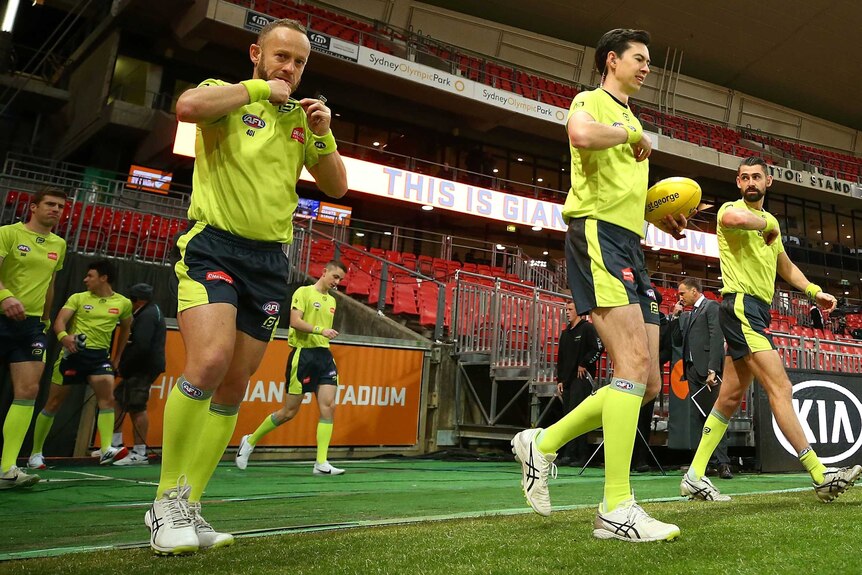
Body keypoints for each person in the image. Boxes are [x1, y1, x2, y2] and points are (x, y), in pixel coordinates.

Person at [145, 17, 348, 556]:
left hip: (269, 262)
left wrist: (324, 132)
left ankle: (191, 505)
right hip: (213, 245)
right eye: (281, 56)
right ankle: (164, 502)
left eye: (299, 62)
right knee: (209, 362)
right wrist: (260, 90)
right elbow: (187, 107)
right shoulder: (227, 93)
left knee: (235, 385)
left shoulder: (302, 121)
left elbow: (336, 186)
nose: (290, 68)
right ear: (256, 54)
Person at [511, 28, 689, 542]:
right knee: (629, 366)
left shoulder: (633, 119)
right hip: (596, 235)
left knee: (647, 383)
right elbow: (581, 136)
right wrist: (630, 137)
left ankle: (542, 443)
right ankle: (615, 507)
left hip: (630, 242)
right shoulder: (590, 101)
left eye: (650, 61)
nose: (647, 67)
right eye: (640, 58)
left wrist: (660, 217)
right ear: (612, 60)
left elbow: (622, 189)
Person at [680, 156, 861, 502]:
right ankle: (820, 474)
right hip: (740, 306)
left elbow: (786, 266)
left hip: (756, 311)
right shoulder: (731, 210)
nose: (751, 182)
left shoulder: (771, 223)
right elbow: (733, 219)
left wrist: (814, 291)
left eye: (756, 177)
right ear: (738, 182)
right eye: (745, 177)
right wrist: (764, 225)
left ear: (768, 182)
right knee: (782, 387)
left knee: (729, 398)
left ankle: (694, 475)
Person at [235, 260, 347, 474]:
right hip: (303, 355)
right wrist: (320, 330)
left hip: (324, 356)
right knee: (289, 412)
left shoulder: (332, 300)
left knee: (329, 406)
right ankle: (250, 441)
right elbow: (295, 321)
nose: (337, 282)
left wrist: (323, 335)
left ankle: (321, 463)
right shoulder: (303, 292)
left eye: (340, 279)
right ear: (324, 272)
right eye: (335, 277)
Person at [28, 260, 133, 468]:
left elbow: (126, 329)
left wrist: (117, 357)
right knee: (53, 404)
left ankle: (105, 449)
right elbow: (59, 322)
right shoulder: (78, 298)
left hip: (99, 358)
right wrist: (64, 337)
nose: (85, 279)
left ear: (104, 278)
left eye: (90, 276)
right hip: (73, 356)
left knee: (107, 400)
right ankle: (35, 454)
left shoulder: (123, 303)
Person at [0, 188, 67, 489]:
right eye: (50, 204)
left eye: (60, 207)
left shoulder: (59, 244)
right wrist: (4, 296)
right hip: (1, 315)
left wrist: (46, 319)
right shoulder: (8, 233)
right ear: (33, 207)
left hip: (31, 327)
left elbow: (50, 283)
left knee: (28, 390)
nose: (56, 210)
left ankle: (7, 469)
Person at [670, 278, 732, 480]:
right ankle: (705, 463)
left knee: (715, 416)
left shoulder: (711, 306)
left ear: (694, 291)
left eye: (682, 293)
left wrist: (713, 369)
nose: (680, 297)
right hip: (691, 370)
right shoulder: (689, 314)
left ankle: (723, 463)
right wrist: (675, 317)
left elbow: (716, 337)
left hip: (708, 371)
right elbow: (677, 341)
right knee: (698, 417)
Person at [111, 283, 166, 466]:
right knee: (118, 400)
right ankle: (116, 445)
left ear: (138, 301)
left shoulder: (148, 316)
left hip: (142, 368)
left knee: (137, 406)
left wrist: (125, 366)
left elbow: (141, 346)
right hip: (139, 367)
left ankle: (140, 453)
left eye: (131, 299)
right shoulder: (149, 312)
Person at [554, 302, 601, 467]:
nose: (567, 312)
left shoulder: (587, 328)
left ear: (579, 311)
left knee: (578, 416)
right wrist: (559, 380)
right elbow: (561, 358)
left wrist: (584, 363)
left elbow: (597, 349)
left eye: (570, 309)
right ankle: (569, 453)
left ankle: (581, 455)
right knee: (568, 416)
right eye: (566, 310)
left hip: (581, 379)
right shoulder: (565, 333)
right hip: (567, 381)